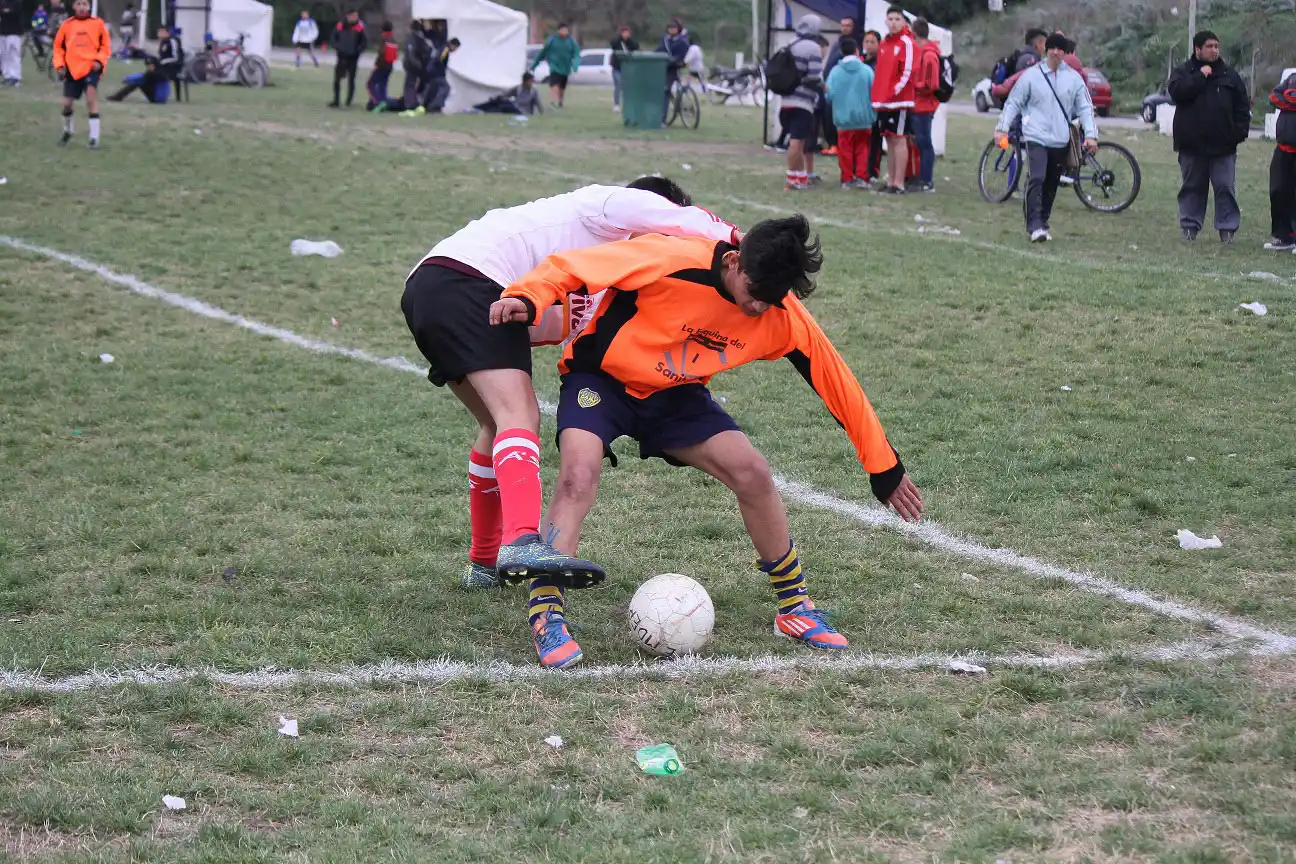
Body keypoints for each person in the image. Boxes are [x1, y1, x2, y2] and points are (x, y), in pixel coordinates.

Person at [489, 216, 924, 668]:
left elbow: (837, 382)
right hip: (602, 382)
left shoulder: (782, 313)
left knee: (752, 472)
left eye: (770, 301)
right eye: (752, 293)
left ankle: (795, 608)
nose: (757, 308)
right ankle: (547, 615)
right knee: (578, 473)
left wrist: (884, 467)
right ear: (733, 261)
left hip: (677, 396)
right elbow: (574, 266)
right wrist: (528, 295)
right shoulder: (670, 258)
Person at [400, 178, 745, 612]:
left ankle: (483, 563)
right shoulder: (607, 206)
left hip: (434, 292)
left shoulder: (610, 274)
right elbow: (681, 219)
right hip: (467, 278)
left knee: (495, 422)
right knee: (519, 416)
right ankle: (523, 540)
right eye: (664, 235)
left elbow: (543, 331)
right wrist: (740, 240)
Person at [995, 33, 1098, 242]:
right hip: (1036, 136)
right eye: (1052, 48)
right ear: (1045, 50)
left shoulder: (1074, 79)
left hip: (1060, 139)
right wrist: (1002, 129)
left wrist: (1091, 135)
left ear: (1065, 53)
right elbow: (1013, 102)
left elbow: (1085, 107)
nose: (1056, 52)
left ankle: (1042, 222)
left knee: (1051, 183)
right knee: (1037, 177)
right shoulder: (1031, 76)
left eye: (1060, 49)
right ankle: (1034, 226)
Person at [1167, 30, 1251, 244]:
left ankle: (1227, 229)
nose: (1215, 50)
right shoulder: (1184, 72)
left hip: (1223, 146)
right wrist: (1200, 76)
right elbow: (1177, 93)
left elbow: (1242, 107)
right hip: (1192, 145)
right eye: (1210, 46)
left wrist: (1238, 133)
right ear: (1198, 49)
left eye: (1217, 46)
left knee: (1225, 187)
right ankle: (1189, 227)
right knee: (1192, 187)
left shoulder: (1229, 76)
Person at [871, 7, 915, 195]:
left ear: (904, 22)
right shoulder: (884, 44)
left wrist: (894, 92)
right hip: (883, 101)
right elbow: (880, 72)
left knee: (899, 139)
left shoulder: (906, 42)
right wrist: (878, 95)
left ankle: (899, 183)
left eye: (898, 18)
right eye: (890, 18)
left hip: (899, 101)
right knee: (888, 140)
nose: (894, 22)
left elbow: (907, 71)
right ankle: (890, 181)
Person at [52, 0, 108, 147]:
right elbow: (58, 48)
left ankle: (94, 138)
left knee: (90, 99)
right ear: (74, 6)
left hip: (91, 68)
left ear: (89, 6)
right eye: (79, 3)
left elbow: (105, 47)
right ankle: (68, 130)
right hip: (72, 69)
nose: (82, 7)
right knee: (67, 104)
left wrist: (99, 61)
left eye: (85, 4)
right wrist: (60, 65)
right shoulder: (67, 25)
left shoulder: (98, 24)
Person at [778, 14, 825, 191]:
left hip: (786, 100)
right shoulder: (813, 47)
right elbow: (814, 77)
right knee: (797, 142)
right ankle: (791, 180)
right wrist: (824, 87)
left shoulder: (790, 43)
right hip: (803, 102)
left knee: (798, 141)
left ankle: (800, 178)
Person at [825, 37, 874, 189]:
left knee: (845, 150)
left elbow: (829, 95)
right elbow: (874, 91)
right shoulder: (867, 70)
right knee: (863, 149)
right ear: (857, 51)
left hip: (843, 119)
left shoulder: (835, 72)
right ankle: (861, 177)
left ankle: (847, 178)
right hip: (864, 118)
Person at [107, 25, 179, 102]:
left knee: (140, 80)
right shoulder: (162, 44)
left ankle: (118, 97)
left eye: (161, 31)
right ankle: (118, 97)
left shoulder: (172, 41)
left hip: (161, 94)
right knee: (141, 80)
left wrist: (128, 79)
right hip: (157, 91)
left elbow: (176, 57)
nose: (158, 33)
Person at [1266, 73, 1296, 252]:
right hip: (1284, 148)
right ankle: (1284, 237)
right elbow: (1274, 97)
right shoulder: (1292, 78)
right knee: (1278, 191)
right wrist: (1291, 101)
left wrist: (1289, 101)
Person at [910, 18, 939, 193]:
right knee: (921, 143)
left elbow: (931, 84)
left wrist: (913, 86)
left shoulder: (928, 55)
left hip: (924, 105)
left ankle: (927, 180)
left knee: (925, 143)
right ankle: (922, 178)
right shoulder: (922, 53)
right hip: (919, 104)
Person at [819, 16, 856, 157]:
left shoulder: (853, 43)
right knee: (827, 114)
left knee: (836, 116)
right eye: (843, 25)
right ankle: (831, 144)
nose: (845, 28)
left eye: (848, 25)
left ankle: (838, 144)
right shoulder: (837, 42)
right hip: (830, 84)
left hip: (843, 88)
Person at [402, 36, 458, 116]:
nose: (455, 50)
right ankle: (436, 106)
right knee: (445, 88)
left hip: (433, 73)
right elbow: (440, 58)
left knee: (431, 90)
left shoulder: (443, 47)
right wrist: (441, 67)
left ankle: (427, 105)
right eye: (455, 48)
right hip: (438, 73)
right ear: (453, 45)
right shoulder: (446, 49)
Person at [531, 22, 579, 110]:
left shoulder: (571, 41)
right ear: (558, 30)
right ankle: (553, 101)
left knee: (562, 87)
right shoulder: (551, 40)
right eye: (562, 30)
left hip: (565, 67)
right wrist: (534, 65)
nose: (564, 32)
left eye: (566, 30)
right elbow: (542, 53)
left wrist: (575, 65)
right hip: (554, 66)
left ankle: (560, 101)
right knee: (554, 84)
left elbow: (576, 54)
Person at [328, 9, 366, 108]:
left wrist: (357, 51)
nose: (356, 18)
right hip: (341, 57)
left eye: (357, 16)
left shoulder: (359, 28)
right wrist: (338, 47)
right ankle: (336, 100)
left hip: (353, 58)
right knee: (337, 79)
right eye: (354, 16)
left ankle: (348, 101)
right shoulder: (340, 26)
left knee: (351, 80)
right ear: (348, 16)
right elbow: (333, 39)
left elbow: (364, 43)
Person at [658, 17, 689, 119]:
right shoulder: (665, 39)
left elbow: (682, 55)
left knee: (665, 90)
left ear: (678, 29)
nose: (671, 30)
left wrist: (673, 61)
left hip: (675, 67)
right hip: (665, 67)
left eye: (674, 28)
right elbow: (659, 50)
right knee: (664, 90)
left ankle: (662, 119)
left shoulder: (682, 40)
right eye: (670, 28)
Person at [366, 22, 399, 112]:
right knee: (382, 86)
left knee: (369, 84)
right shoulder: (393, 39)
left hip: (381, 65)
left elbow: (381, 53)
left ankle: (377, 102)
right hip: (389, 66)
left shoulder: (383, 39)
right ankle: (383, 102)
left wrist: (377, 65)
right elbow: (395, 55)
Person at [400, 20, 430, 111]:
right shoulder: (422, 39)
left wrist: (414, 64)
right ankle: (415, 101)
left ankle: (409, 104)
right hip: (419, 66)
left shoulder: (411, 38)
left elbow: (410, 54)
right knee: (415, 85)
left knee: (409, 85)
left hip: (412, 66)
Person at [609, 24, 638, 113]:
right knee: (618, 85)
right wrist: (620, 38)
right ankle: (616, 104)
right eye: (624, 33)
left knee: (627, 86)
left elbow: (636, 46)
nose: (626, 35)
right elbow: (612, 44)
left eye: (627, 33)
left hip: (627, 67)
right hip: (617, 67)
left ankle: (628, 103)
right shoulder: (617, 41)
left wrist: (628, 40)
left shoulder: (630, 42)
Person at [0, 0, 21, 86]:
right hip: (2, 32)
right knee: (4, 55)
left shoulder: (17, 2)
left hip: (14, 32)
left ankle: (15, 77)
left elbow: (14, 13)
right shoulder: (2, 2)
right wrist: (5, 11)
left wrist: (6, 12)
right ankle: (7, 76)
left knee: (13, 54)